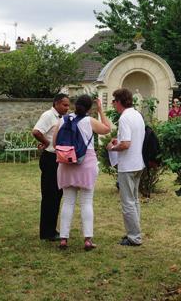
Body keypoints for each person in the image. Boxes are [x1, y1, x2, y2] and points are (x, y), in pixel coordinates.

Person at [53, 95, 111, 251]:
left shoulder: (62, 120)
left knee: (68, 201)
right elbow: (107, 128)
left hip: (66, 164)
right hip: (86, 164)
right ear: (89, 108)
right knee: (86, 202)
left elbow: (54, 143)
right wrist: (100, 110)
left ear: (74, 105)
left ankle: (64, 239)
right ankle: (87, 240)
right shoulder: (89, 121)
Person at [107, 88, 145, 246]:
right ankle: (134, 232)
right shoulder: (137, 114)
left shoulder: (124, 118)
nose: (113, 104)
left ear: (119, 101)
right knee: (134, 200)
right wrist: (120, 141)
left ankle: (134, 237)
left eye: (114, 101)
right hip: (138, 163)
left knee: (128, 202)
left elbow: (126, 144)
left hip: (128, 165)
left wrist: (112, 148)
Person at [32, 93, 70, 241]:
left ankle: (51, 229)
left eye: (68, 105)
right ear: (56, 104)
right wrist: (47, 143)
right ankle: (47, 232)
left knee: (56, 194)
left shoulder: (60, 118)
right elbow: (36, 131)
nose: (67, 108)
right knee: (49, 195)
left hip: (58, 159)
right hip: (49, 159)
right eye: (65, 105)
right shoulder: (48, 115)